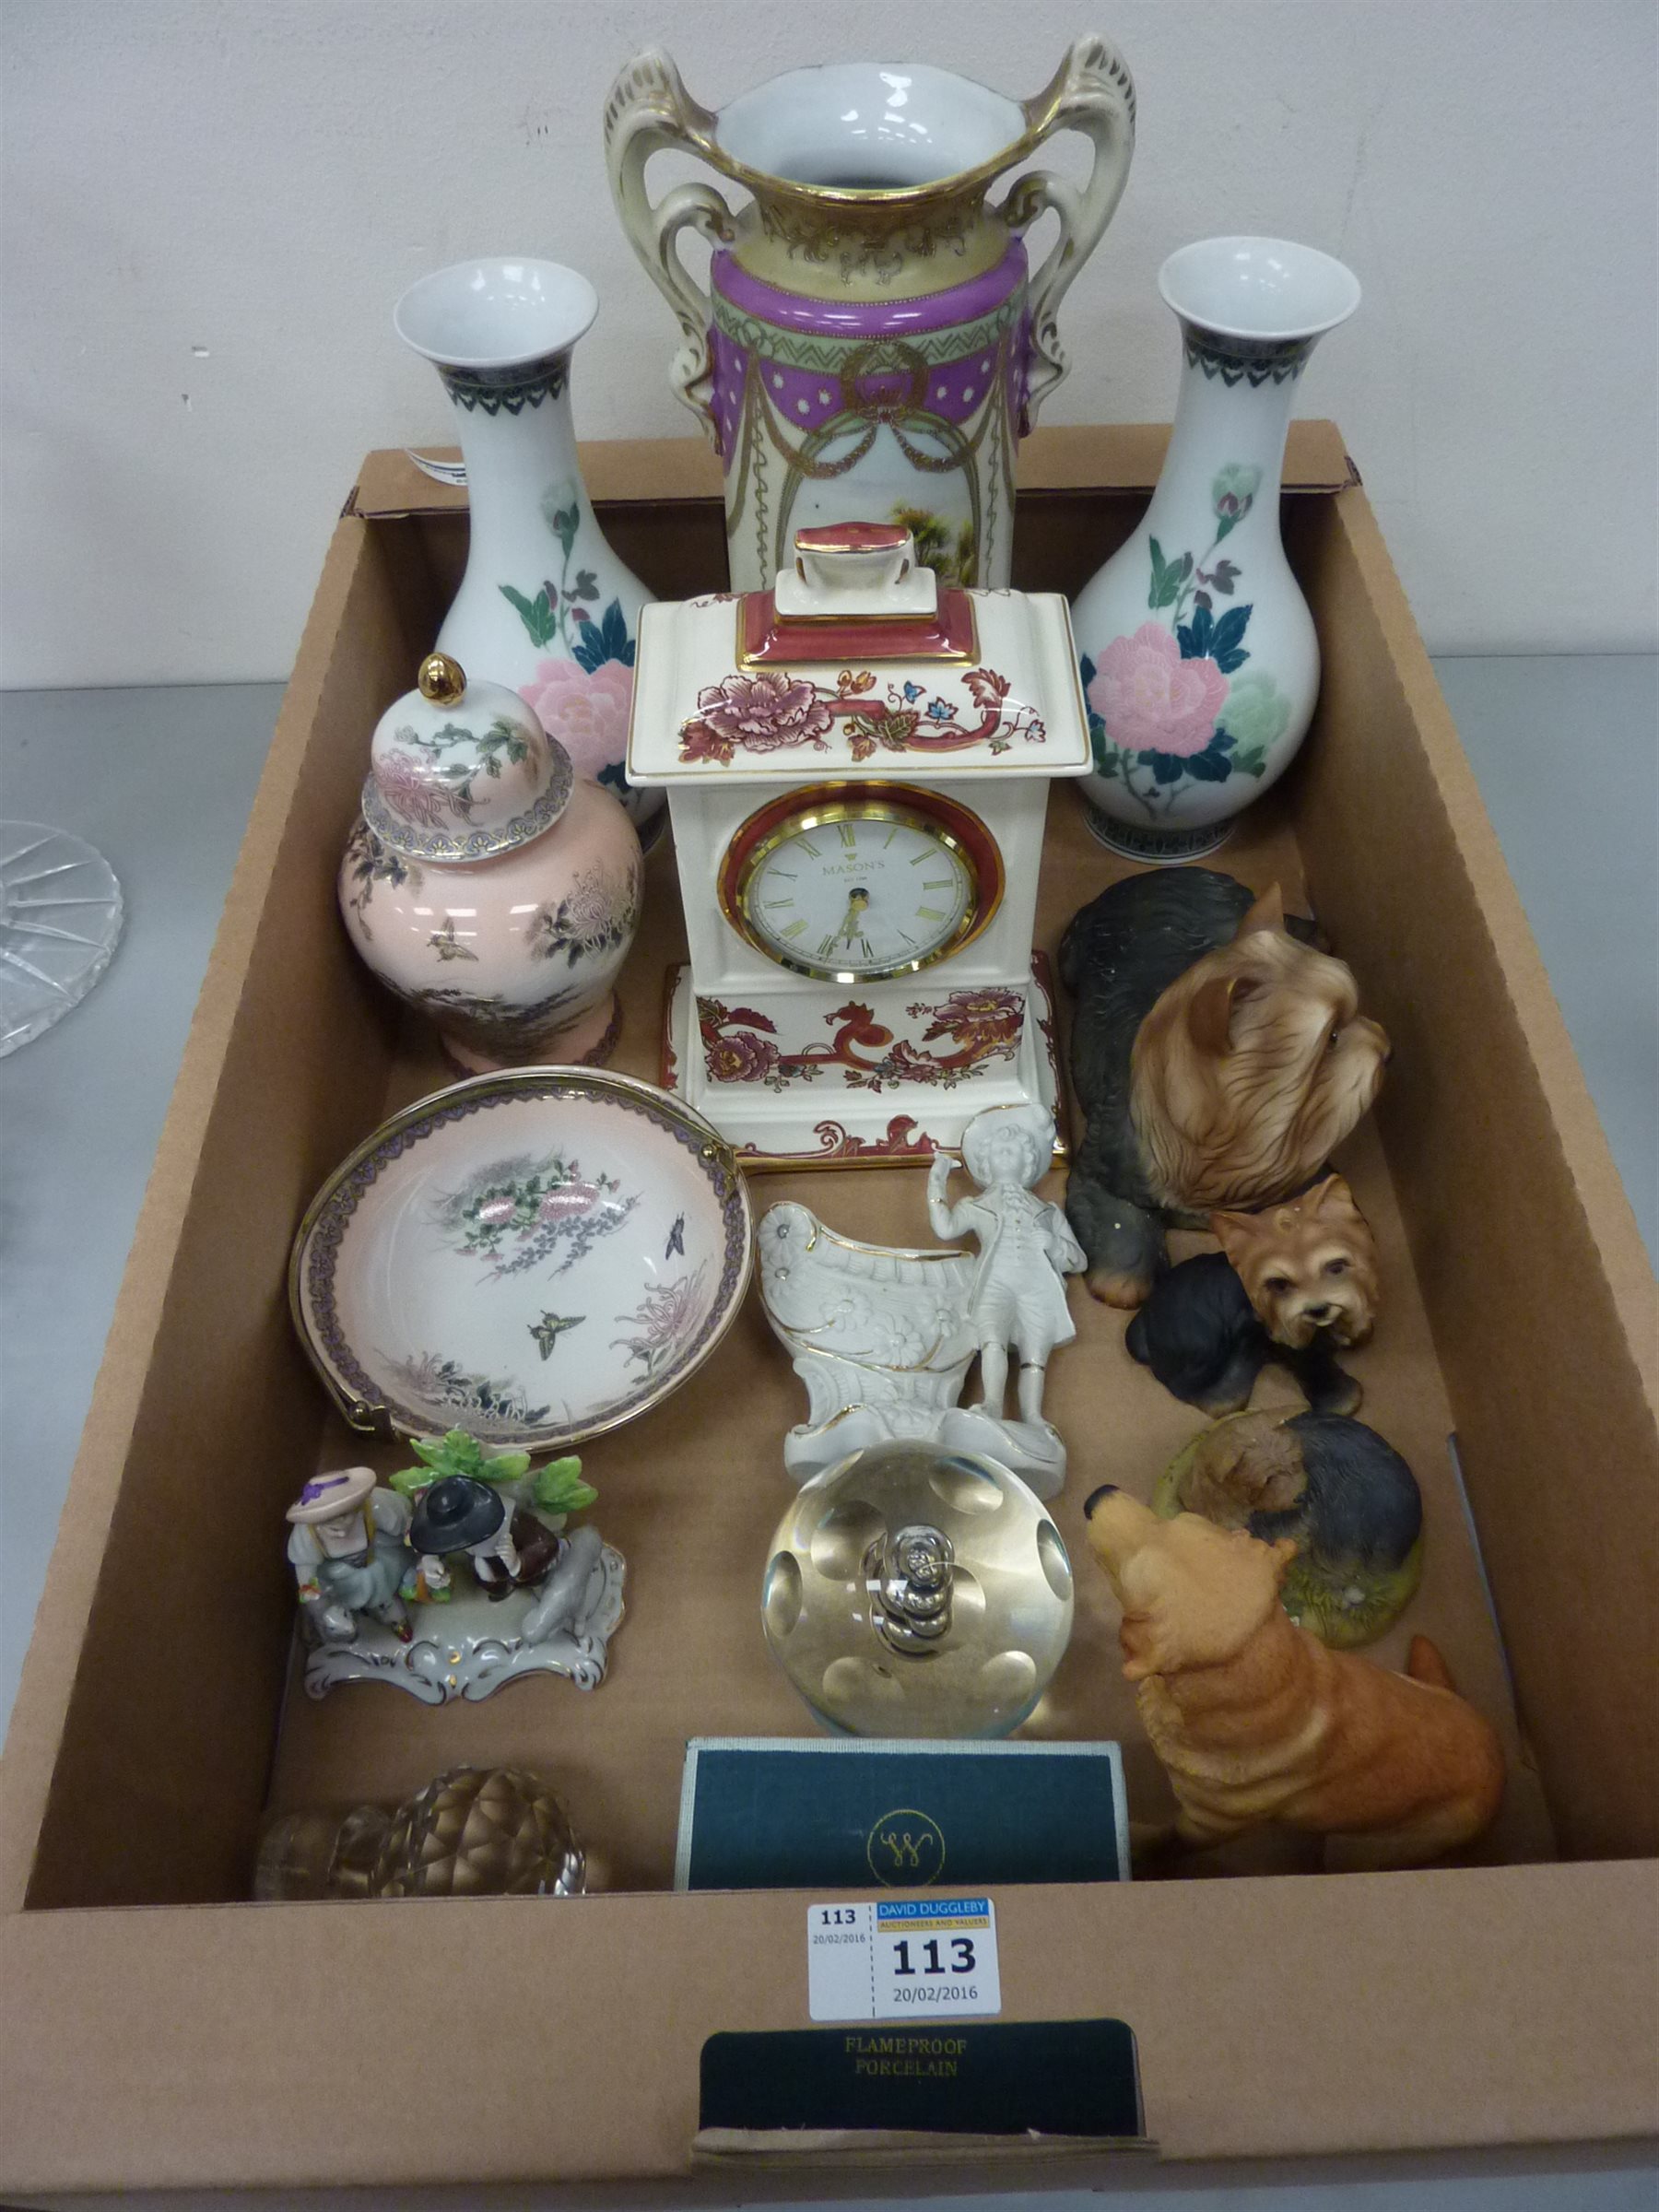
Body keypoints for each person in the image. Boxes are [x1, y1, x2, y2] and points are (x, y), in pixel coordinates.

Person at [926, 1105, 1087, 1428]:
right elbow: (945, 1228)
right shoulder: (977, 1206)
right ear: (985, 1161)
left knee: (1035, 1354)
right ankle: (993, 1404)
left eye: (1011, 1150)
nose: (1003, 1155)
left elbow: (1079, 1260)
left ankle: (1033, 1416)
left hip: (1037, 1285)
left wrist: (1054, 1246)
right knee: (992, 1338)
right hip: (995, 1281)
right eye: (997, 1150)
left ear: (1027, 1161)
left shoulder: (1048, 1212)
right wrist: (936, 1182)